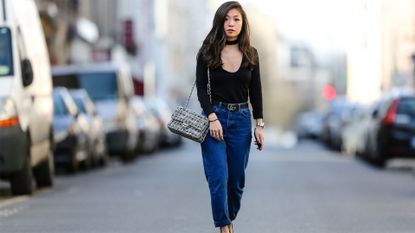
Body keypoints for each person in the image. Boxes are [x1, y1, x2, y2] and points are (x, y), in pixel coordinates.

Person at [196, 1, 265, 233]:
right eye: (226, 19)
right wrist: (211, 117)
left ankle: (228, 216)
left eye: (236, 18)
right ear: (219, 22)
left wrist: (260, 124)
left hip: (241, 121)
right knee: (218, 178)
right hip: (214, 119)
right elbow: (201, 90)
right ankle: (224, 227)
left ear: (243, 23)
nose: (231, 23)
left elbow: (256, 91)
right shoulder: (207, 52)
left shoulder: (251, 54)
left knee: (236, 182)